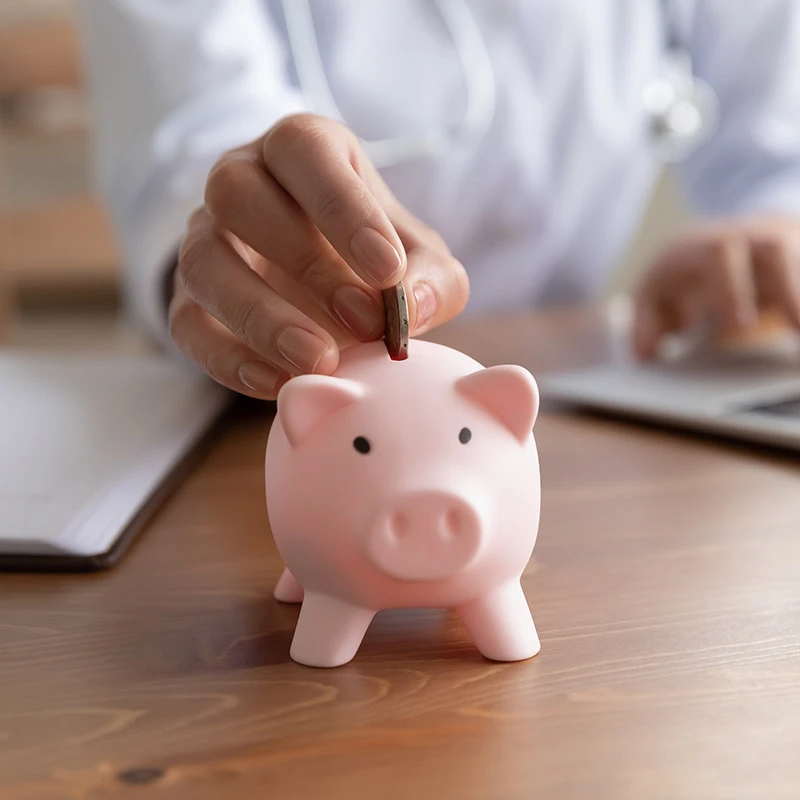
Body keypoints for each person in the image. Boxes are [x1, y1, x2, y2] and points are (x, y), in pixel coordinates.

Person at [76, 1, 800, 399]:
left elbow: (777, 146)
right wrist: (239, 227)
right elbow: (192, 137)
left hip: (571, 404)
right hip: (252, 419)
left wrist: (767, 228)